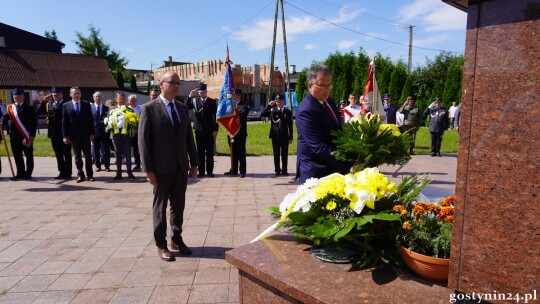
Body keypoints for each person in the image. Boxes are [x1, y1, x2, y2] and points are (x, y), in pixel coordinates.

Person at [139, 71, 198, 261]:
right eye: (171, 82)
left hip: (180, 167)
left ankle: (176, 239)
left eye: (178, 83)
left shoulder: (181, 108)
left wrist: (194, 163)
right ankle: (161, 244)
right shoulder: (149, 108)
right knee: (160, 208)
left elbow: (189, 138)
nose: (175, 85)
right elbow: (143, 142)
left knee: (178, 206)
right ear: (161, 84)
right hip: (160, 169)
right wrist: (149, 170)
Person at [295, 64, 351, 183]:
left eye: (329, 85)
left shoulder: (329, 101)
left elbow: (337, 131)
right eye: (322, 85)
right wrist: (348, 162)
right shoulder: (306, 110)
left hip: (332, 169)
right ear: (310, 86)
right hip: (315, 172)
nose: (327, 90)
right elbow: (318, 147)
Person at [1, 89, 37, 180]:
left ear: (23, 97)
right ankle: (20, 173)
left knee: (28, 155)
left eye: (19, 97)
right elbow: (5, 117)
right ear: (13, 98)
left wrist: (32, 135)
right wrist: (1, 122)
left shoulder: (29, 108)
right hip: (15, 136)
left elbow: (34, 122)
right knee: (17, 155)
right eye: (15, 97)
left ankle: (28, 173)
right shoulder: (10, 108)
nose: (17, 99)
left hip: (26, 135)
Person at [62, 87, 95, 183]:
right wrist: (65, 136)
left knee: (88, 156)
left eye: (78, 93)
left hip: (86, 135)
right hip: (73, 136)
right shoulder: (66, 105)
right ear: (70, 94)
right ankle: (80, 174)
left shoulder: (86, 104)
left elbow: (90, 120)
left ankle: (90, 175)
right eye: (75, 93)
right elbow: (64, 122)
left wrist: (92, 133)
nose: (77, 95)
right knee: (77, 156)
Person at [185, 83, 218, 177]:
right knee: (200, 152)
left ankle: (210, 171)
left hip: (210, 130)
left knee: (210, 152)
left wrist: (215, 129)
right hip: (199, 130)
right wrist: (190, 96)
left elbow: (216, 116)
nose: (202, 93)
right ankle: (201, 171)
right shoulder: (195, 101)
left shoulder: (212, 102)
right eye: (200, 92)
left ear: (206, 92)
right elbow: (186, 106)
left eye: (203, 91)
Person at [261, 94, 293, 176]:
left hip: (285, 136)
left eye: (281, 101)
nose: (279, 103)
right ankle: (277, 170)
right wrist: (269, 105)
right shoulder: (273, 111)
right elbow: (263, 113)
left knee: (284, 154)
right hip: (275, 136)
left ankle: (285, 170)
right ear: (276, 102)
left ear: (283, 102)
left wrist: (291, 136)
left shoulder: (288, 112)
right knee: (276, 153)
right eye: (278, 102)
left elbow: (290, 125)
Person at [44, 88, 72, 179]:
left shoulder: (67, 104)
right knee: (58, 154)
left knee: (66, 153)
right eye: (54, 95)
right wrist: (43, 102)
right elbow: (38, 111)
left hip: (64, 133)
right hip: (54, 133)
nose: (55, 96)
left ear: (61, 95)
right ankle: (61, 171)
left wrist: (68, 134)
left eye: (57, 95)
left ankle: (68, 172)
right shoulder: (49, 104)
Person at [110, 92, 135, 180]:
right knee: (118, 155)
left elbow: (133, 122)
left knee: (128, 155)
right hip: (116, 136)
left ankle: (129, 172)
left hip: (126, 136)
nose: (121, 100)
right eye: (120, 98)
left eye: (123, 98)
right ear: (116, 100)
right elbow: (109, 122)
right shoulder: (112, 109)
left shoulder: (129, 109)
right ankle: (118, 173)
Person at [225, 89, 249, 178]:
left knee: (241, 153)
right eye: (234, 95)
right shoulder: (229, 106)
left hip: (240, 133)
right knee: (233, 151)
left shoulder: (244, 105)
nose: (235, 97)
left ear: (240, 96)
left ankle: (242, 171)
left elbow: (242, 115)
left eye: (237, 95)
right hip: (231, 132)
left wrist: (234, 109)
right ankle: (233, 169)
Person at [91, 91, 111, 172]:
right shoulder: (90, 108)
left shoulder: (107, 108)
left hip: (105, 133)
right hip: (94, 133)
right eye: (96, 96)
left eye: (99, 96)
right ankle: (98, 165)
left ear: (101, 98)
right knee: (96, 150)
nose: (98, 98)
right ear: (93, 98)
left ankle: (107, 166)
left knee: (106, 150)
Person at [128, 94, 141, 171]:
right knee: (134, 149)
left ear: (136, 101)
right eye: (130, 100)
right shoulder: (126, 109)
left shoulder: (141, 108)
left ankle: (144, 163)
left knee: (141, 148)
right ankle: (137, 164)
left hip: (139, 131)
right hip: (130, 132)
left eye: (133, 100)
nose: (132, 102)